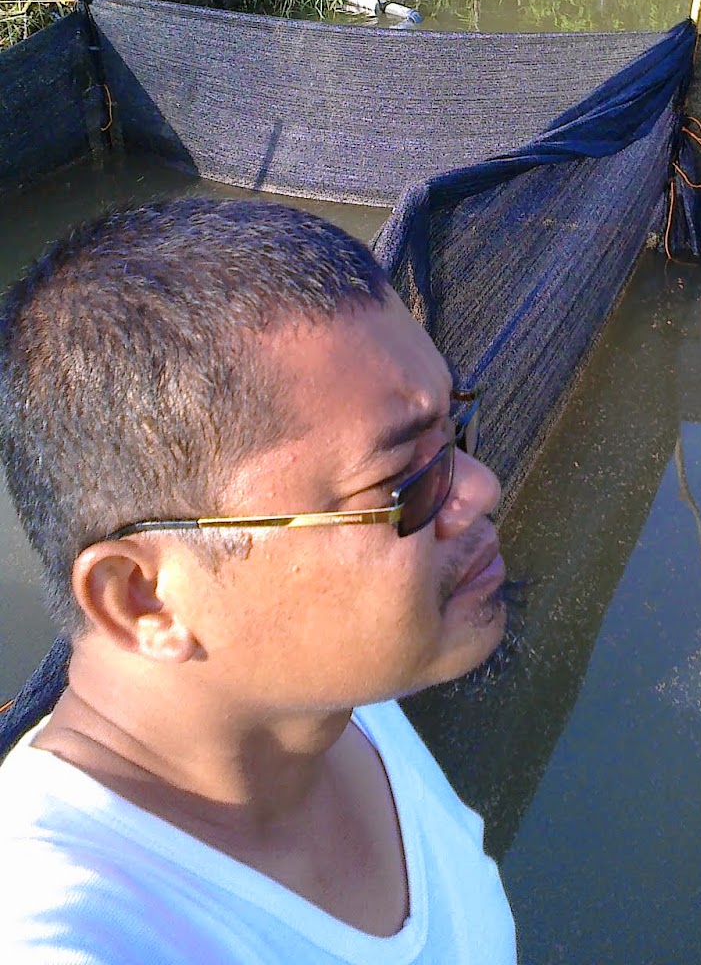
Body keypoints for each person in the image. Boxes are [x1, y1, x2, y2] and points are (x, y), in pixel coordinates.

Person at [0, 196, 517, 963]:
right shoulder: (68, 930)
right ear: (143, 599)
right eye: (403, 482)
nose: (480, 487)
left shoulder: (328, 697)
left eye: (454, 430)